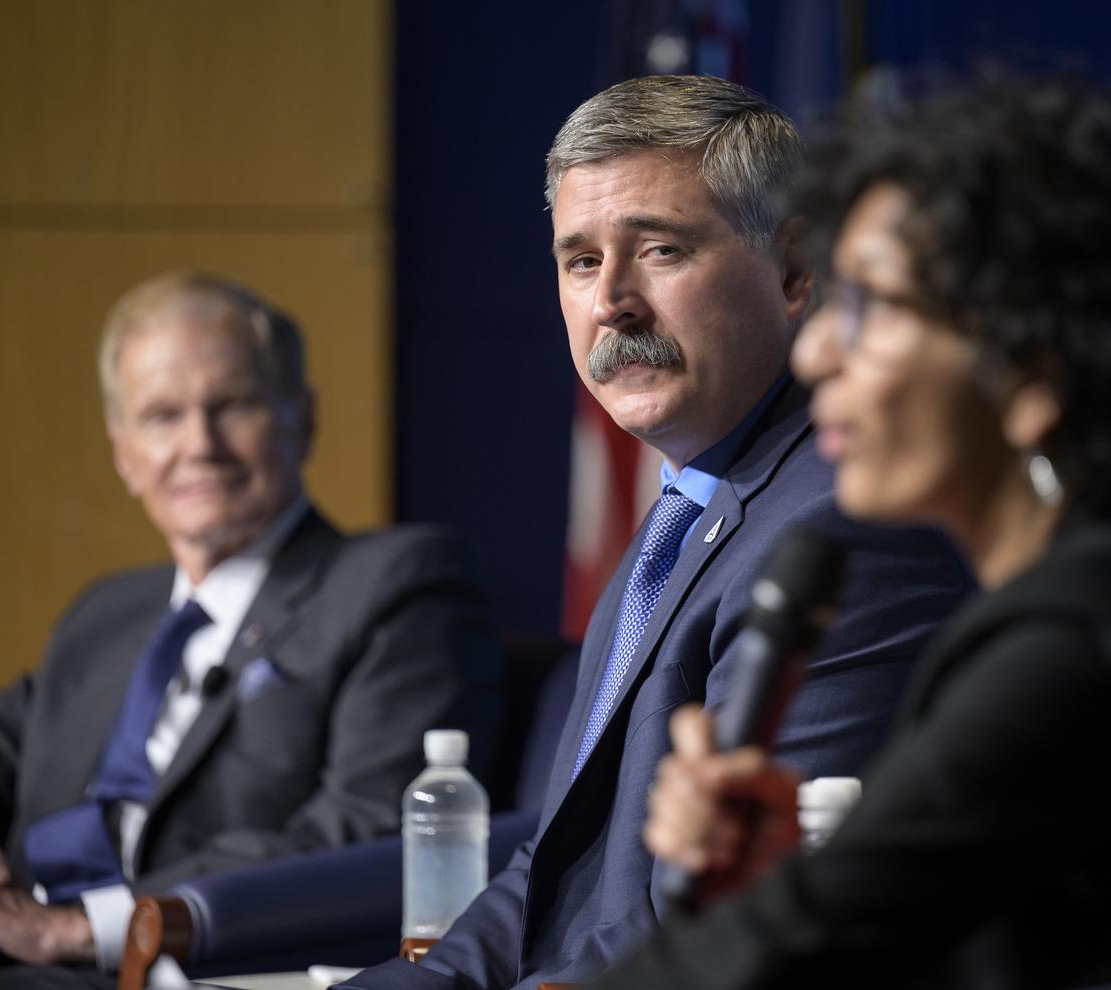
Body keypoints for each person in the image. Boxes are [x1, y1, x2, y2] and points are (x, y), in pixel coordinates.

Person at [597, 72, 1111, 989]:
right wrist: (769, 881)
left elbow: (807, 943)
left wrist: (781, 911)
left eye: (875, 306)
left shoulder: (1081, 646)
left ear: (1032, 372)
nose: (818, 350)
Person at [341, 74, 970, 990]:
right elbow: (557, 877)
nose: (612, 301)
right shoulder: (688, 515)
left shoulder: (843, 533)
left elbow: (729, 906)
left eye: (660, 250)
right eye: (580, 261)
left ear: (795, 271)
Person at [0, 271, 501, 989]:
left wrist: (82, 929)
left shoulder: (400, 583)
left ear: (303, 418)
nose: (199, 444)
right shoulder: (106, 611)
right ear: (124, 454)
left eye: (232, 405)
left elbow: (367, 833)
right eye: (162, 416)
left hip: (183, 964)